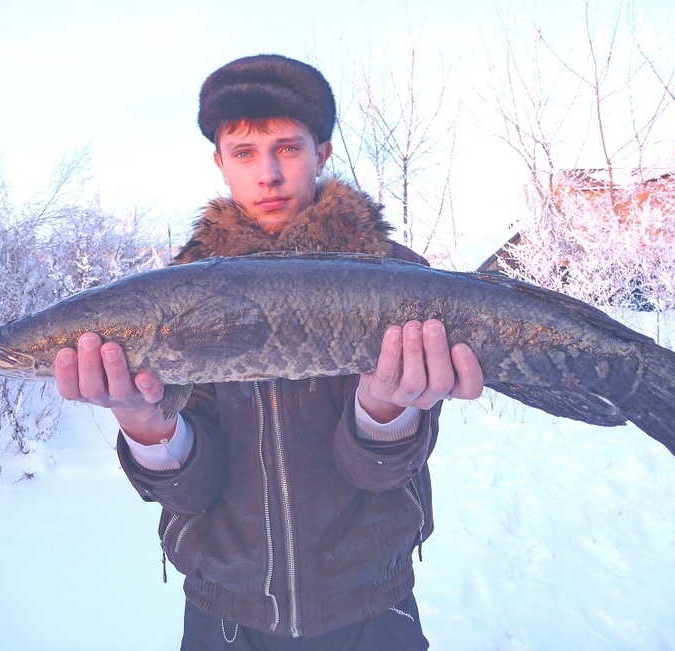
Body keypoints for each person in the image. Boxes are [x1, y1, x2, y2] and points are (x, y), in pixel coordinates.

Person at [54, 54, 484, 650]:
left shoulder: (397, 279)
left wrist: (385, 408)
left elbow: (378, 473)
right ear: (220, 163)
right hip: (225, 617)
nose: (268, 175)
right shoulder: (177, 301)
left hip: (371, 608)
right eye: (245, 153)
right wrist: (145, 426)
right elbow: (191, 493)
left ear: (321, 153)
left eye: (286, 149)